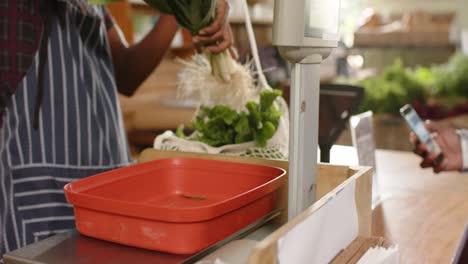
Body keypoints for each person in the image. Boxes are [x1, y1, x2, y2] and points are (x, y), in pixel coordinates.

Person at [0, 0, 232, 259]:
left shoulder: (95, 6)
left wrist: (181, 10)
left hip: (103, 181)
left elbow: (126, 73)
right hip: (40, 193)